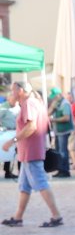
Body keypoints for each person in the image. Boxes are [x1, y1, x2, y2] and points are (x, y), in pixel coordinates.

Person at [2, 80, 63, 227]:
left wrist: (13, 141)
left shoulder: (29, 103)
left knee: (41, 182)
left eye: (13, 90)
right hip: (29, 152)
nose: (12, 93)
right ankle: (18, 217)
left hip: (31, 151)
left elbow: (31, 126)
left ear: (21, 90)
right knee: (24, 186)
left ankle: (56, 215)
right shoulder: (34, 102)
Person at [48, 88, 73, 177]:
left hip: (64, 131)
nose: (53, 99)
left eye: (55, 97)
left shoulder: (65, 104)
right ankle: (60, 169)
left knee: (63, 151)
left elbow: (66, 118)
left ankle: (64, 170)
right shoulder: (57, 103)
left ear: (59, 95)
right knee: (59, 151)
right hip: (58, 131)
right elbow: (47, 114)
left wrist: (53, 120)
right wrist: (52, 107)